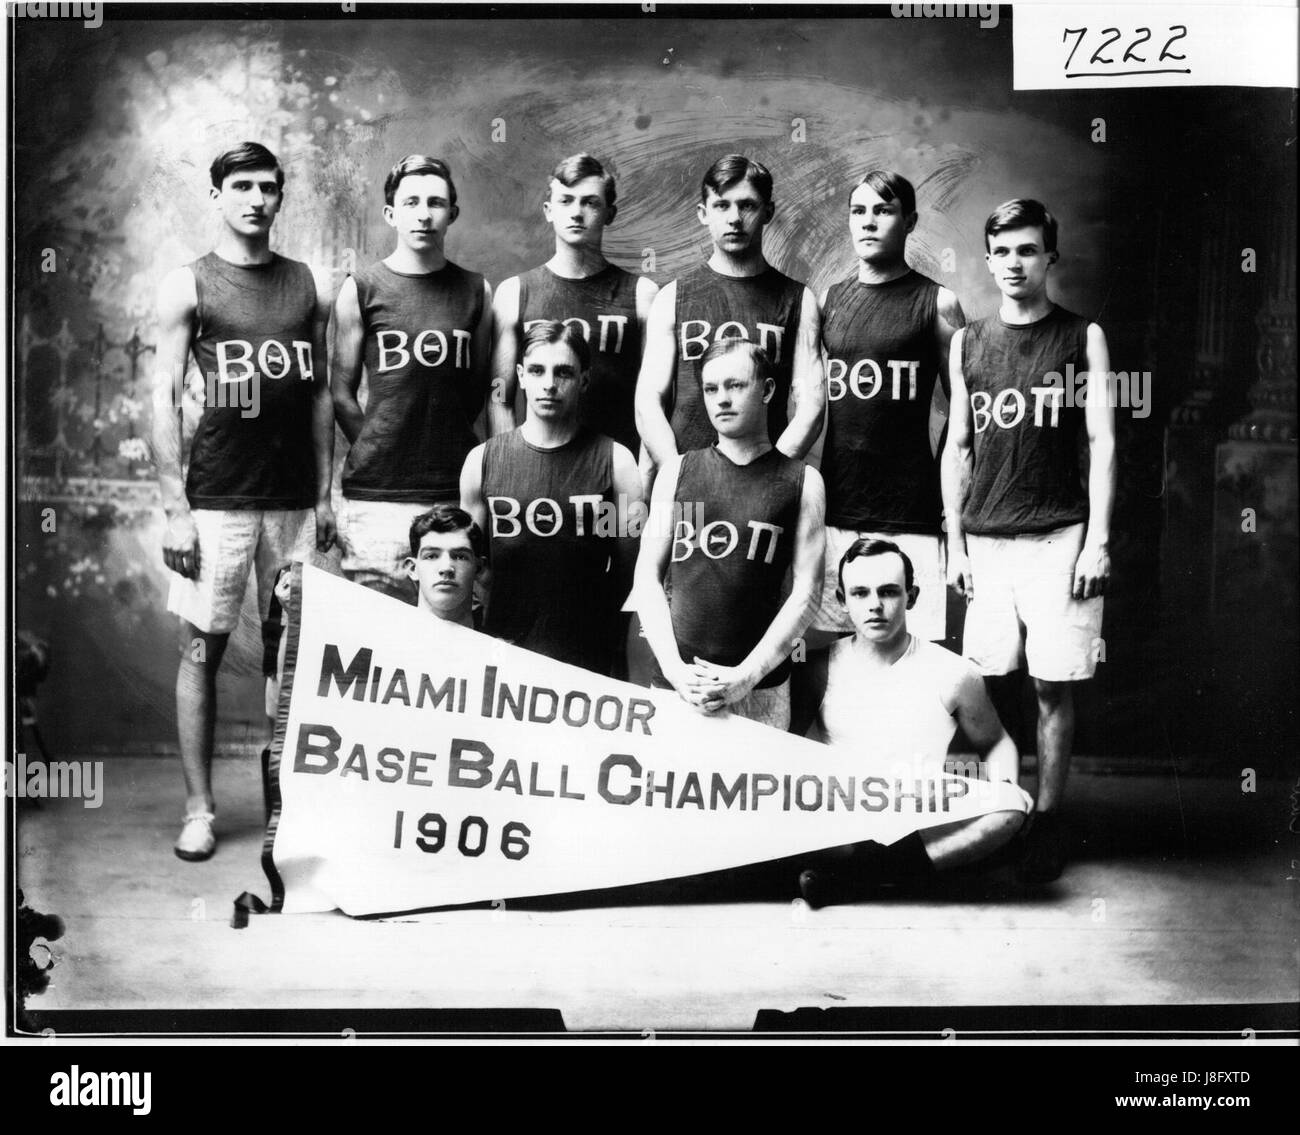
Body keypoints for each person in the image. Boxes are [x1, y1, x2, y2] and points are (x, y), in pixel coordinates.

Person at [152, 141, 336, 861]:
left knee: (293, 655)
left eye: (268, 187)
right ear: (218, 195)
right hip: (219, 498)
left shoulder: (306, 284)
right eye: (242, 186)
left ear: (280, 197)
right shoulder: (190, 283)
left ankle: (287, 805)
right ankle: (199, 809)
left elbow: (319, 392)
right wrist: (174, 505)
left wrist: (323, 494)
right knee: (202, 648)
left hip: (291, 502)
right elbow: (165, 398)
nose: (256, 199)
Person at [942, 198, 1115, 883]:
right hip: (986, 537)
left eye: (1027, 250)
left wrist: (1098, 539)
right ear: (987, 260)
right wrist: (953, 540)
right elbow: (957, 445)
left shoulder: (1082, 336)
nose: (1014, 263)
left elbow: (1102, 442)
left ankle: (1047, 821)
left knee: (1050, 683)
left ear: (1050, 257)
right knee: (992, 680)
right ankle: (1002, 812)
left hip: (1058, 535)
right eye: (1002, 251)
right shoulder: (968, 342)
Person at [791, 539, 1030, 907]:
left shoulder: (953, 672)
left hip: (920, 817)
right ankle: (908, 876)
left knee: (1011, 806)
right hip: (844, 821)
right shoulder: (817, 667)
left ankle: (856, 882)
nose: (875, 605)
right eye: (860, 593)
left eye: (888, 592)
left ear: (912, 596)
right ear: (841, 600)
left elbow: (996, 741)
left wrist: (1002, 784)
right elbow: (787, 753)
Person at [809, 170, 966, 649]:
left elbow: (967, 407)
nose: (869, 222)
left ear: (910, 220)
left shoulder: (938, 302)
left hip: (911, 511)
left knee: (913, 665)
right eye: (859, 211)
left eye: (884, 210)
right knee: (837, 658)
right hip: (839, 507)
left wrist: (948, 493)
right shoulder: (829, 299)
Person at [635, 339, 825, 729]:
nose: (721, 399)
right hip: (679, 687)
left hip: (762, 690)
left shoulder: (802, 481)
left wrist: (748, 676)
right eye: (711, 388)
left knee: (761, 791)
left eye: (735, 385)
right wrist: (674, 671)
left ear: (768, 390)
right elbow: (647, 578)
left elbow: (807, 593)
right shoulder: (677, 472)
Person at [331, 154, 492, 600]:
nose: (423, 214)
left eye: (436, 203)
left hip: (452, 488)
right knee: (378, 638)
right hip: (376, 494)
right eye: (412, 202)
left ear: (452, 214)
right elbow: (341, 392)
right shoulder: (360, 287)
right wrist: (379, 443)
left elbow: (477, 389)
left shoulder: (477, 290)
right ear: (391, 213)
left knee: (450, 634)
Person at [460, 321, 643, 676]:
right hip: (504, 652)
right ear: (520, 376)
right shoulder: (481, 462)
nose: (549, 384)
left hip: (587, 658)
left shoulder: (617, 462)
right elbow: (472, 569)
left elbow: (629, 578)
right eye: (537, 371)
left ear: (584, 380)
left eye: (563, 373)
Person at [634, 154, 824, 478]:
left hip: (765, 490)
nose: (734, 218)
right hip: (687, 481)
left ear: (768, 212)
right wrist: (674, 471)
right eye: (722, 205)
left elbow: (811, 406)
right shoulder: (672, 297)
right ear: (703, 213)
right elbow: (649, 401)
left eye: (747, 205)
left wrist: (766, 477)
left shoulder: (798, 299)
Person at [488, 153, 658, 453]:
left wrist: (640, 477)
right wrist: (510, 465)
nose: (577, 213)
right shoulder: (514, 292)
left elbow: (655, 401)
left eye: (590, 202)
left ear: (610, 213)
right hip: (541, 470)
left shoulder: (642, 294)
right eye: (566, 201)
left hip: (616, 471)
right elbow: (499, 398)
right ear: (548, 210)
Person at [403, 504, 488, 626]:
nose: (446, 568)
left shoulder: (499, 645)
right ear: (413, 568)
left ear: (478, 568)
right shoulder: (382, 642)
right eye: (431, 556)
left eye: (460, 557)